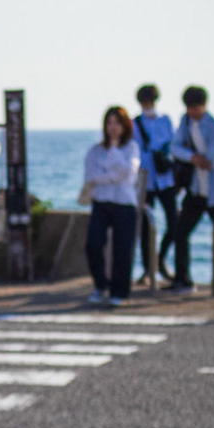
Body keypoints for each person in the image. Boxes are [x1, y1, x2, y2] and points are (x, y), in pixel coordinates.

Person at [166, 85, 214, 293]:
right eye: (189, 108)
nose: (191, 112)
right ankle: (183, 280)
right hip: (196, 189)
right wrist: (193, 157)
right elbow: (174, 147)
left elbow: (212, 160)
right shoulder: (185, 121)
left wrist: (197, 158)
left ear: (204, 105)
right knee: (180, 232)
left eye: (195, 108)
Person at [83, 106, 141, 306]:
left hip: (124, 203)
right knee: (93, 244)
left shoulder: (131, 148)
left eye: (117, 123)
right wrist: (113, 175)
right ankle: (101, 284)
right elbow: (91, 176)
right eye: (110, 123)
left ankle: (120, 291)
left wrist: (114, 154)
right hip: (101, 202)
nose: (113, 127)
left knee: (123, 249)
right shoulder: (96, 150)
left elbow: (128, 174)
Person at [132, 84, 178, 284]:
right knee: (145, 226)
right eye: (144, 102)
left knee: (174, 223)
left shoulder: (165, 120)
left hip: (165, 178)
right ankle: (147, 269)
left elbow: (173, 144)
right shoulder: (135, 124)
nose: (147, 105)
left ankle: (160, 260)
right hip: (145, 180)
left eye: (150, 101)